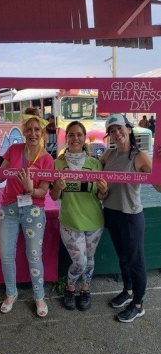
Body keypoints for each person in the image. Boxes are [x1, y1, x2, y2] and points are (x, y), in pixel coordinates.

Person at [0, 107, 54, 317]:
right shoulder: (14, 150)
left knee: (34, 256)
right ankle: (11, 293)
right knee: (6, 255)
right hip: (9, 208)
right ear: (24, 131)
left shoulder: (47, 159)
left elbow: (43, 191)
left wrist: (31, 188)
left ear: (42, 132)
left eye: (37, 129)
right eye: (29, 129)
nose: (33, 133)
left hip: (33, 210)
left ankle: (39, 296)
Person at [100, 113, 161, 323]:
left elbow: (159, 187)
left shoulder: (140, 157)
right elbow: (91, 176)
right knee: (123, 258)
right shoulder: (108, 155)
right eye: (112, 130)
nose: (117, 133)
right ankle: (127, 291)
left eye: (119, 128)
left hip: (131, 216)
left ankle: (138, 304)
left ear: (128, 128)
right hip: (111, 212)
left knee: (136, 262)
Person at [49, 121, 108, 311]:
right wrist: (57, 187)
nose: (75, 138)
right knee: (80, 261)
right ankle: (69, 287)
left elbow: (100, 196)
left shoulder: (95, 164)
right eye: (71, 135)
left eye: (79, 135)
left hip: (94, 221)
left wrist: (104, 191)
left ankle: (85, 289)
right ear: (66, 139)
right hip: (70, 221)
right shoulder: (57, 164)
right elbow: (54, 196)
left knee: (89, 259)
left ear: (84, 139)